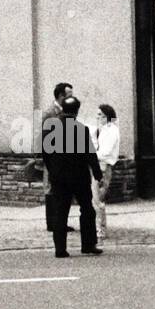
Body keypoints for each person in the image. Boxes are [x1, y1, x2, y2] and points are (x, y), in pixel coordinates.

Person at [41, 95, 102, 258]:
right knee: (87, 210)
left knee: (60, 212)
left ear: (63, 110)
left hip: (59, 178)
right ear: (76, 111)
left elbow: (45, 153)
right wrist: (97, 173)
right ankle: (88, 244)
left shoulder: (50, 129)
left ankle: (60, 249)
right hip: (79, 177)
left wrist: (52, 170)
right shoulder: (81, 129)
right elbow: (90, 154)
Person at [42, 83, 75, 234]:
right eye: (69, 96)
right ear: (61, 96)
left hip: (64, 157)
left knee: (63, 190)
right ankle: (52, 223)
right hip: (53, 156)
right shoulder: (50, 113)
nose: (71, 99)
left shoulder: (67, 111)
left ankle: (61, 222)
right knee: (51, 189)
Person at [92, 104, 120, 244]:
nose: (98, 118)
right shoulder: (104, 130)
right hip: (100, 165)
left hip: (103, 166)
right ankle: (98, 227)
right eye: (97, 115)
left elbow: (106, 152)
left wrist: (90, 155)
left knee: (98, 199)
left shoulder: (111, 131)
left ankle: (100, 229)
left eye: (101, 115)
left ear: (107, 116)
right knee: (96, 199)